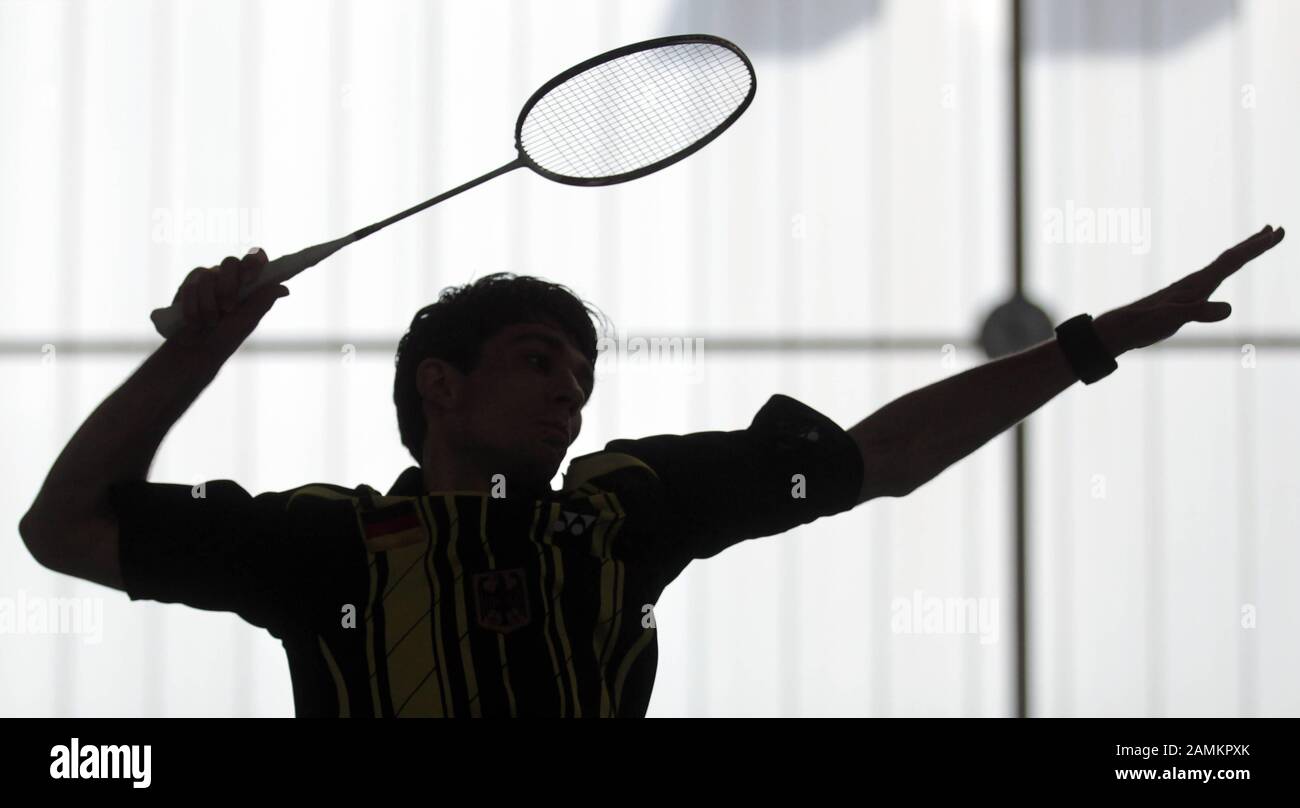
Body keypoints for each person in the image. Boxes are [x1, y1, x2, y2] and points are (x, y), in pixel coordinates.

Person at [18, 225, 1285, 716]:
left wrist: (1095, 341)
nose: (570, 391)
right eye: (536, 360)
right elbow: (62, 525)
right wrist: (202, 350)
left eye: (582, 371)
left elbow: (883, 454)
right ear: (438, 387)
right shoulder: (327, 546)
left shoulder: (626, 510)